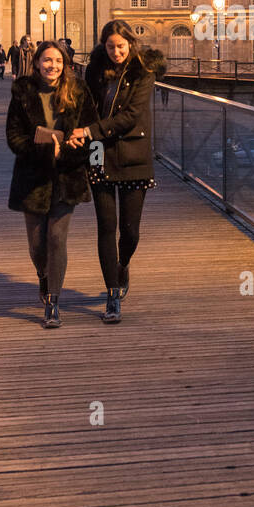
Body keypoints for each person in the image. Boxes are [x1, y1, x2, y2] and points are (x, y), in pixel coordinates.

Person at [68, 20, 166, 324]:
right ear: (103, 46)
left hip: (133, 154)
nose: (115, 52)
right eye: (110, 47)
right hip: (99, 154)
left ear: (130, 44)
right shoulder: (96, 68)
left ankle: (123, 264)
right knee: (106, 228)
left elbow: (131, 116)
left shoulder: (143, 71)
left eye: (120, 46)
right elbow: (86, 104)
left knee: (131, 231)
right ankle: (112, 294)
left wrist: (88, 130)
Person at [6, 41, 96, 329]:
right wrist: (47, 151)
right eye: (47, 60)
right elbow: (14, 137)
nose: (52, 66)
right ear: (36, 63)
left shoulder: (79, 91)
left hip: (67, 177)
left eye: (58, 61)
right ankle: (43, 276)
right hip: (32, 177)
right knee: (37, 245)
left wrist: (66, 152)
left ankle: (53, 302)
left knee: (57, 238)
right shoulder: (22, 91)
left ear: (66, 64)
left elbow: (90, 134)